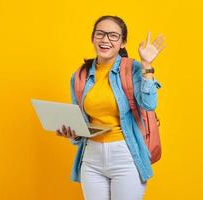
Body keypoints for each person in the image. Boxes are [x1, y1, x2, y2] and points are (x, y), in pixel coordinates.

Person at [55, 15, 165, 200]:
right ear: (93, 38)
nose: (105, 39)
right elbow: (82, 122)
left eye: (113, 35)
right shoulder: (80, 76)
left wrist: (147, 65)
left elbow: (149, 105)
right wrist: (73, 133)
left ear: (122, 42)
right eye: (100, 34)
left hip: (126, 154)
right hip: (91, 157)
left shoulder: (133, 69)